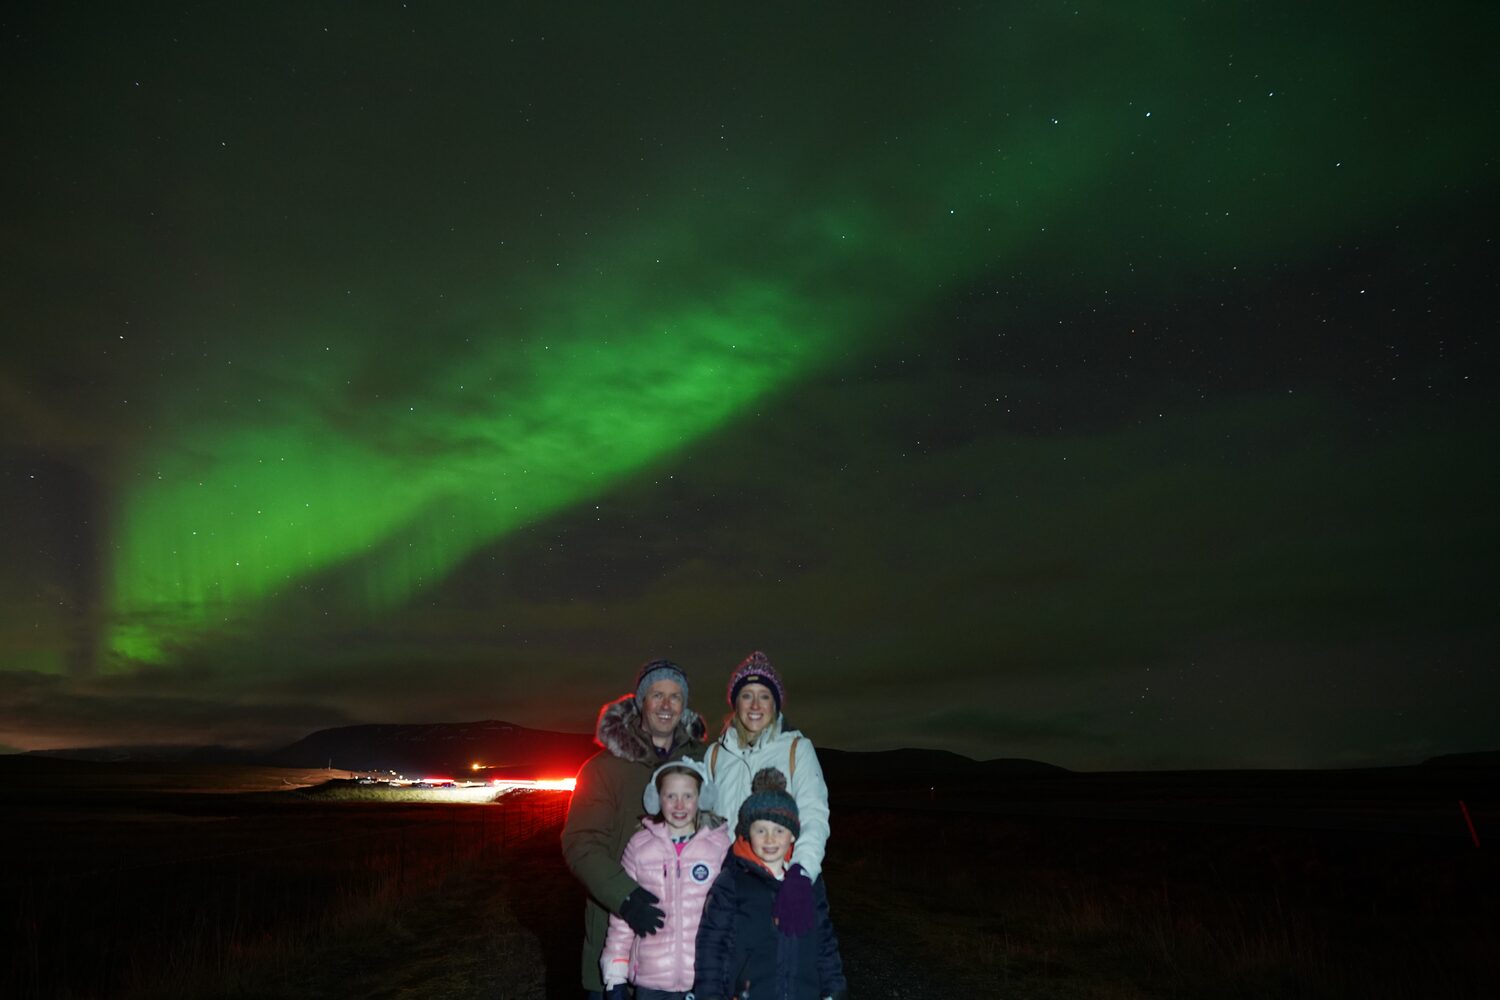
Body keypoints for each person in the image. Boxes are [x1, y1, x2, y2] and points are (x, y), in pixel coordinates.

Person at [562, 659, 708, 999]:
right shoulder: (604, 769)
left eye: (675, 696)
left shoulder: (704, 764)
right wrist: (625, 897)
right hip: (618, 942)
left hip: (685, 955)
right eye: (657, 695)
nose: (667, 705)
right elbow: (582, 844)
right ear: (641, 701)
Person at [694, 767, 847, 1000]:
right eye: (761, 830)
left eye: (779, 830)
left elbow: (824, 940)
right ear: (747, 833)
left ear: (793, 835)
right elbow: (712, 947)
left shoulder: (808, 883)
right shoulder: (732, 882)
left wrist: (834, 987)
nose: (770, 839)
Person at [600, 759, 732, 1000]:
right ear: (656, 798)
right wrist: (615, 974)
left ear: (701, 798)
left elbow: (734, 912)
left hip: (706, 979)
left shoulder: (719, 847)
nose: (679, 805)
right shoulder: (639, 847)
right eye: (670, 796)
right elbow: (621, 917)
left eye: (688, 796)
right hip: (652, 981)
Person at [707, 651, 831, 880]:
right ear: (736, 702)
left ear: (775, 704)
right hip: (725, 885)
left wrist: (801, 874)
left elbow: (814, 817)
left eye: (764, 696)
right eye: (746, 695)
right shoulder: (715, 754)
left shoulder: (797, 749)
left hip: (776, 882)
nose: (755, 705)